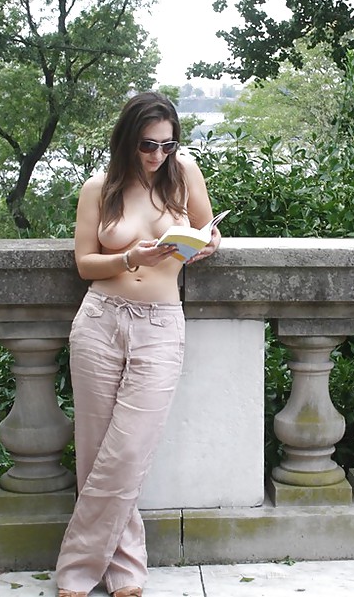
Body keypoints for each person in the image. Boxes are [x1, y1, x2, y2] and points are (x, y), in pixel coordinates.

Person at [55, 91, 221, 597]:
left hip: (161, 324)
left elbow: (210, 231)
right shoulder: (99, 188)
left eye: (167, 145)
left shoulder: (184, 173)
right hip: (100, 320)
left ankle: (77, 568)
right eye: (148, 145)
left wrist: (205, 244)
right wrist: (132, 258)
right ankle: (123, 570)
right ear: (127, 140)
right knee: (96, 452)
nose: (158, 155)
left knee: (127, 451)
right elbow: (85, 263)